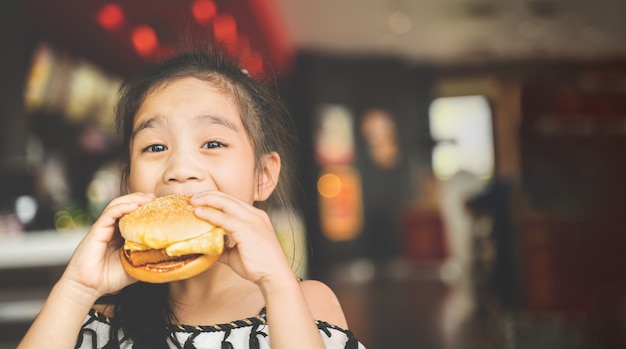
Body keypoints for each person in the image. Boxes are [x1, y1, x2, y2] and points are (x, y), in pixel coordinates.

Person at [18, 46, 365, 349]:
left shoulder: (303, 303)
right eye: (155, 146)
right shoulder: (93, 318)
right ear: (128, 181)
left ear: (263, 176)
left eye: (213, 143)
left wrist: (277, 283)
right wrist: (77, 288)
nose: (181, 168)